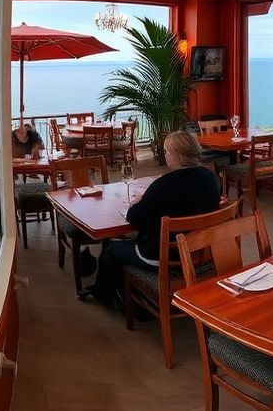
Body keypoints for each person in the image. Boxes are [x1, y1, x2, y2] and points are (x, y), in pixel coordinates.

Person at [81, 130, 221, 305]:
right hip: (198, 251)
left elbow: (133, 217)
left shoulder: (164, 184)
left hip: (162, 256)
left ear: (177, 156)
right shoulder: (211, 178)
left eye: (166, 152)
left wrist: (142, 200)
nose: (165, 155)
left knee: (111, 247)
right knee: (127, 241)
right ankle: (128, 293)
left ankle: (107, 296)